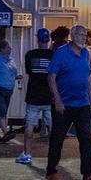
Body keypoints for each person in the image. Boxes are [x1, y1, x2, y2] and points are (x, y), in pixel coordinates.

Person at [47, 24, 91, 180]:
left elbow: (87, 77)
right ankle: (51, 172)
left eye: (85, 35)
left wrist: (90, 98)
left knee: (86, 140)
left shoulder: (85, 53)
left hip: (82, 104)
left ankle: (88, 174)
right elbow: (51, 77)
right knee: (57, 139)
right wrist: (57, 99)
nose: (83, 38)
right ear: (72, 36)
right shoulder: (61, 53)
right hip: (64, 104)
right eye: (80, 35)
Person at [19, 27, 58, 165]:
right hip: (49, 96)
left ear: (38, 40)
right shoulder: (54, 55)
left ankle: (27, 154)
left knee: (29, 126)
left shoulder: (30, 55)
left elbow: (29, 72)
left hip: (33, 96)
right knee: (52, 127)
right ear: (48, 40)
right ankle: (53, 155)